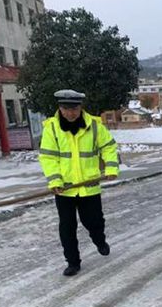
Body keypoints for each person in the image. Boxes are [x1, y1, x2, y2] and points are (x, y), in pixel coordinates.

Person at [38, 89, 119, 276]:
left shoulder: (95, 126)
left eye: (74, 108)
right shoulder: (51, 128)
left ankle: (99, 240)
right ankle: (73, 262)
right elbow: (48, 157)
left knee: (94, 221)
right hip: (65, 189)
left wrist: (111, 168)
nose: (70, 113)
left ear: (80, 107)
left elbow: (109, 147)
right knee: (67, 227)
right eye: (66, 109)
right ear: (60, 108)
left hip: (89, 185)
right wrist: (55, 180)